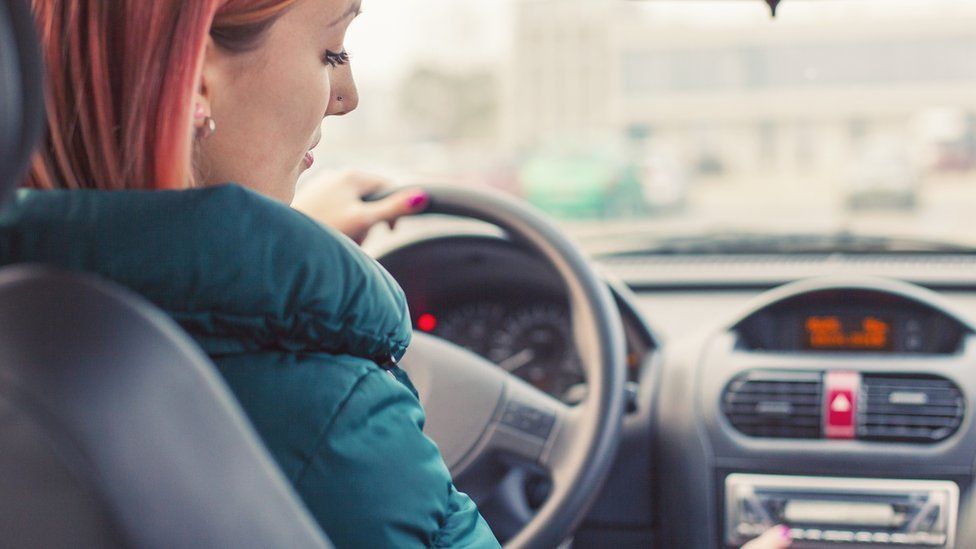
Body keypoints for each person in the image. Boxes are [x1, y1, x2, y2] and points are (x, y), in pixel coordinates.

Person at [2, 1, 791, 547]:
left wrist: (279, 263)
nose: (346, 95)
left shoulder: (38, 337)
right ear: (199, 72)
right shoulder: (329, 410)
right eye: (331, 48)